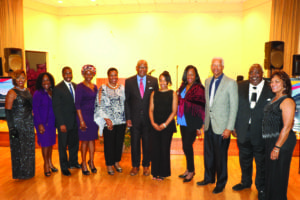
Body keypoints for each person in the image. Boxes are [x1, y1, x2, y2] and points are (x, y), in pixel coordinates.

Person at [197, 57, 238, 194]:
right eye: (213, 65)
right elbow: (208, 105)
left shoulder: (231, 83)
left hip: (222, 128)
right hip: (209, 125)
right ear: (211, 66)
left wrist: (229, 128)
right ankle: (208, 178)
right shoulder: (207, 81)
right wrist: (203, 123)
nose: (215, 68)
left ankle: (221, 183)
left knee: (220, 157)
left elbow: (234, 107)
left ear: (222, 67)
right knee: (208, 155)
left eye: (218, 65)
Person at [232, 64, 273, 199]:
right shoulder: (240, 86)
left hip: (261, 132)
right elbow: (234, 107)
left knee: (261, 162)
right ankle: (245, 182)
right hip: (243, 130)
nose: (254, 75)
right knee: (244, 159)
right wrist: (233, 126)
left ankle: (261, 188)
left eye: (257, 72)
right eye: (251, 72)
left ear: (262, 74)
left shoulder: (270, 88)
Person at [262, 71, 296, 200]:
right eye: (272, 82)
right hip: (272, 140)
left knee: (278, 177)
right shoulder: (274, 98)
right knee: (271, 175)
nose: (273, 84)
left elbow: (287, 127)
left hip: (282, 142)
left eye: (277, 81)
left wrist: (277, 147)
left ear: (285, 84)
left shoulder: (287, 101)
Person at [125, 59, 159, 176]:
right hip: (134, 119)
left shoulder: (154, 81)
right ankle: (135, 166)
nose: (142, 69)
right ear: (136, 67)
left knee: (147, 143)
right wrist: (128, 118)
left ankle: (146, 166)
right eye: (140, 67)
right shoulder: (129, 82)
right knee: (134, 143)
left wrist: (155, 118)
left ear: (147, 68)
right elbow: (127, 101)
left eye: (145, 67)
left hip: (148, 119)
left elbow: (156, 100)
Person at [94, 68, 126, 175]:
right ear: (108, 76)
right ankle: (109, 165)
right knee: (109, 144)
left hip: (121, 121)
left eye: (115, 75)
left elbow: (126, 104)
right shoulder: (102, 88)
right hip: (109, 122)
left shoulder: (122, 88)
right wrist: (106, 119)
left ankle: (116, 163)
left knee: (118, 143)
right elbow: (99, 105)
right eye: (111, 75)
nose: (114, 77)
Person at [177, 65, 205, 182]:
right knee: (185, 146)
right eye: (188, 74)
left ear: (196, 75)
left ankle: (192, 170)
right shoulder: (183, 86)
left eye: (192, 74)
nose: (190, 76)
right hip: (182, 120)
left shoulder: (199, 88)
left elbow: (201, 106)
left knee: (187, 146)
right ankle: (188, 169)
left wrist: (200, 126)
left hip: (192, 122)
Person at [5, 69, 35, 179]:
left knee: (29, 148)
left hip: (28, 122)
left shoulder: (27, 90)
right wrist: (11, 128)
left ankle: (28, 172)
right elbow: (8, 111)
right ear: (14, 80)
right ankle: (20, 173)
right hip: (18, 124)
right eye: (18, 78)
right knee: (19, 148)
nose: (21, 80)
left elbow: (30, 106)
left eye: (22, 77)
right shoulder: (12, 92)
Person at [149, 71, 178, 181]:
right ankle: (155, 173)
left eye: (165, 80)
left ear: (168, 81)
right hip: (155, 125)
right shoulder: (154, 93)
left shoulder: (173, 93)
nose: (162, 82)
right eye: (161, 80)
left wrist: (165, 124)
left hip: (167, 126)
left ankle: (163, 173)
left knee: (164, 149)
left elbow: (174, 111)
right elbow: (151, 110)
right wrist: (153, 123)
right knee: (155, 149)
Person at [52, 66, 81, 176]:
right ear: (62, 74)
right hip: (64, 123)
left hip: (74, 122)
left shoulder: (76, 86)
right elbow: (57, 108)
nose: (68, 75)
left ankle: (73, 162)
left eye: (70, 73)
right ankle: (64, 167)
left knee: (74, 143)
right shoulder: (58, 88)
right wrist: (61, 124)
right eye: (66, 73)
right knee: (63, 146)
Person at [32, 72, 58, 177]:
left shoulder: (53, 92)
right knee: (45, 144)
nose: (46, 82)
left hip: (52, 123)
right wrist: (39, 124)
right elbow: (35, 109)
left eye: (47, 80)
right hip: (42, 123)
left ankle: (50, 162)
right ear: (40, 82)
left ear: (51, 81)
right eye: (43, 80)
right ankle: (46, 165)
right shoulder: (38, 93)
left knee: (50, 144)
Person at [75, 65, 99, 175]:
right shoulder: (79, 87)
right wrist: (81, 121)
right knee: (84, 141)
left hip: (93, 117)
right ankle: (84, 162)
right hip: (83, 117)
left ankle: (92, 162)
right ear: (83, 74)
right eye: (86, 73)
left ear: (93, 74)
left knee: (92, 140)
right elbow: (77, 105)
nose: (89, 75)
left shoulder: (95, 86)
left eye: (91, 73)